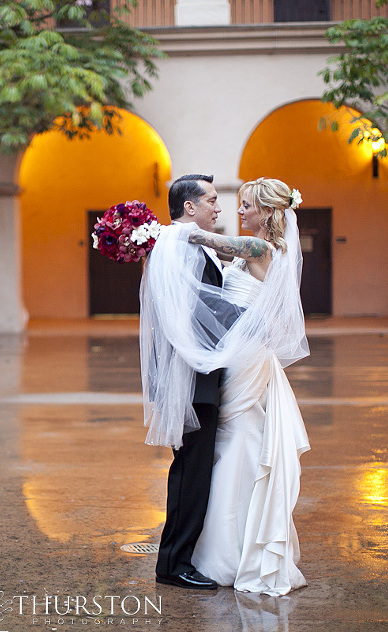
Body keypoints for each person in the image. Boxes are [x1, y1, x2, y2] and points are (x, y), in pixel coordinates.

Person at [183, 177, 311, 596]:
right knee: (238, 435)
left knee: (235, 434)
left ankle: (229, 551)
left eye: (248, 206)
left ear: (268, 213)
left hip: (248, 355)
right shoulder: (257, 251)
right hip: (240, 350)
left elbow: (217, 243)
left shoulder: (263, 249)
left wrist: (175, 231)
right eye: (239, 205)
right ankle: (236, 542)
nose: (240, 211)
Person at [142, 174, 242, 590]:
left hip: (197, 374)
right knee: (190, 471)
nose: (218, 207)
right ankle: (173, 564)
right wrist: (246, 322)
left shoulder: (186, 244)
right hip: (191, 376)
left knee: (194, 468)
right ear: (190, 207)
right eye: (212, 200)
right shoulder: (182, 246)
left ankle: (179, 556)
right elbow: (195, 308)